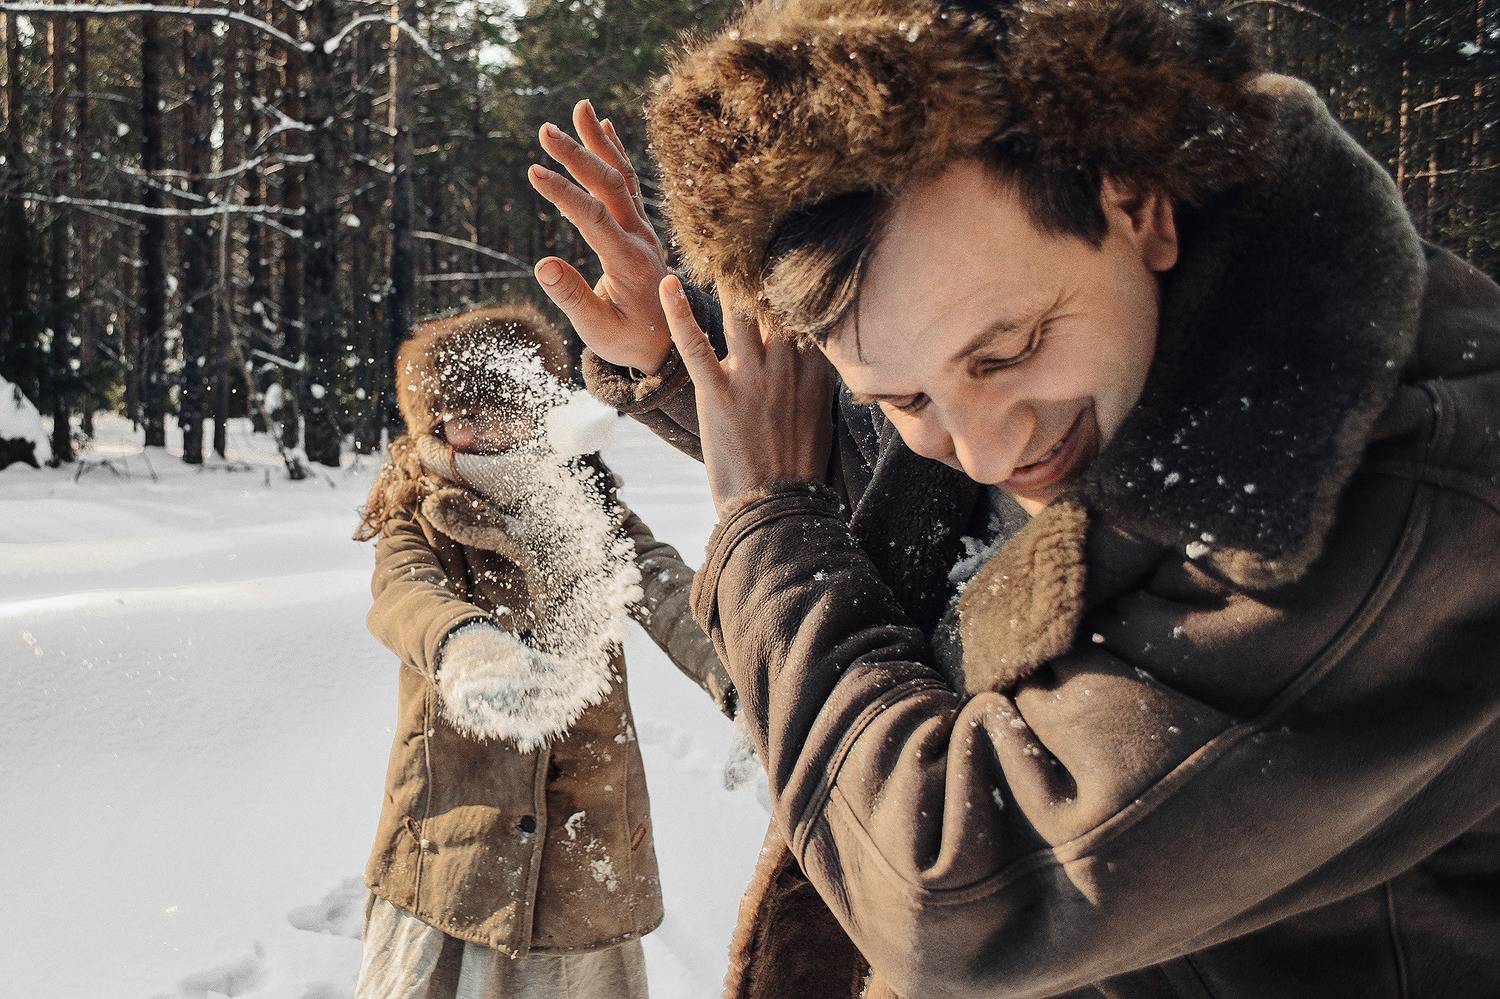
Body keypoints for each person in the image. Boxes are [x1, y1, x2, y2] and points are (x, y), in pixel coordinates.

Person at [525, 1, 1500, 997]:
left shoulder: (1404, 499)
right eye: (905, 397)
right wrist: (681, 357)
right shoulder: (1076, 343)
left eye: (1011, 351)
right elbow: (930, 514)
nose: (985, 451)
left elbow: (955, 899)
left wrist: (770, 521)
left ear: (1138, 207)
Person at [350, 304, 732, 998]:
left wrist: (738, 674)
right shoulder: (419, 507)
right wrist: (464, 643)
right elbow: (404, 590)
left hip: (584, 836)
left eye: (505, 408)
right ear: (435, 424)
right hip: (454, 836)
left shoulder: (586, 504)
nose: (486, 432)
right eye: (464, 415)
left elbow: (664, 584)